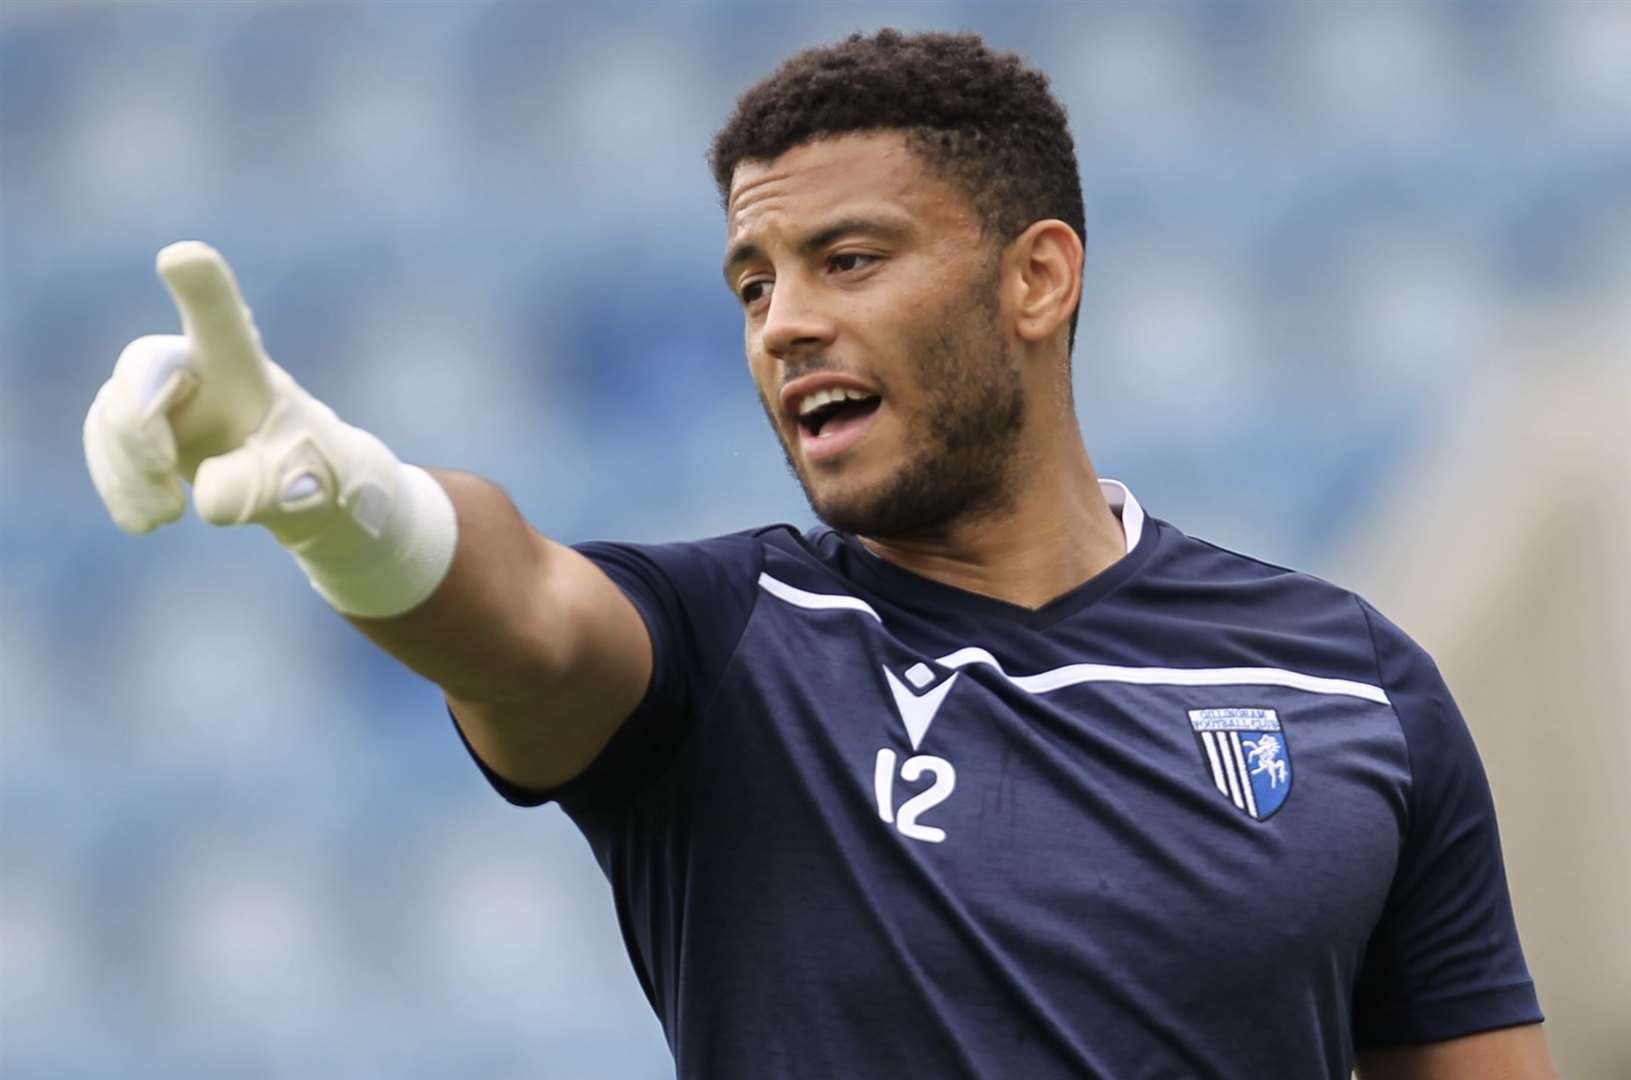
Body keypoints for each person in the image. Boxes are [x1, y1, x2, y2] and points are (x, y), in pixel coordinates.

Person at [83, 29, 1557, 1080]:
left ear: (1037, 278)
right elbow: (521, 609)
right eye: (751, 281)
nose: (782, 321)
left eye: (846, 260)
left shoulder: (1348, 681)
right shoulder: (736, 646)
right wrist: (340, 496)